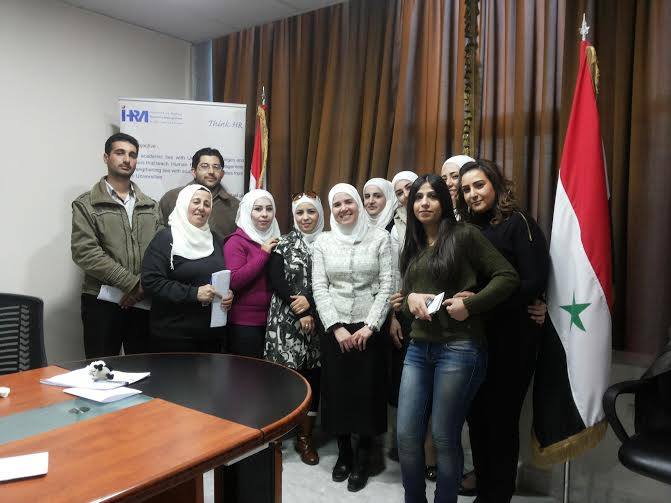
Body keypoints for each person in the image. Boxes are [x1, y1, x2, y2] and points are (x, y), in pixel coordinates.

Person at [394, 174, 519, 503]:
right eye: (418, 197)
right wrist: (409, 300)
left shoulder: (464, 235)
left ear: (444, 201)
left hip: (460, 348)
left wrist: (471, 304)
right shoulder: (413, 243)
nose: (423, 203)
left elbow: (507, 276)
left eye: (432, 196)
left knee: (444, 437)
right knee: (406, 436)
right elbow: (407, 297)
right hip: (418, 348)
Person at [457, 160, 550, 503]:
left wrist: (480, 302)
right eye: (466, 189)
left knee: (500, 420)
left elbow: (534, 281)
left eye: (479, 185)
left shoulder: (518, 223)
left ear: (495, 184)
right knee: (476, 417)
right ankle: (484, 488)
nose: (473, 194)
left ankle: (498, 496)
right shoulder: (466, 228)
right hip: (474, 338)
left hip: (513, 339)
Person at [312, 183, 393, 492]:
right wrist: (336, 327)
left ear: (358, 204)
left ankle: (363, 457)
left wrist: (370, 326)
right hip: (335, 329)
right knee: (338, 393)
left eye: (349, 202)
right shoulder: (323, 241)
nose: (343, 208)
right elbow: (319, 287)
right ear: (331, 210)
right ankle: (344, 453)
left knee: (367, 393)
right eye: (337, 204)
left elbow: (388, 284)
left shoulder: (380, 238)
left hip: (369, 328)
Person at [71, 132, 162, 358]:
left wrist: (142, 287)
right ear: (106, 157)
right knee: (101, 369)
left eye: (132, 154)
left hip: (143, 301)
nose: (127, 159)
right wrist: (131, 284)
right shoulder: (86, 204)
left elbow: (161, 252)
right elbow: (85, 252)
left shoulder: (151, 205)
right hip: (102, 300)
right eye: (120, 153)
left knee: (143, 369)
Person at [264, 191, 325, 465]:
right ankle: (276, 438)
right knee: (282, 378)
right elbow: (276, 279)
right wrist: (299, 309)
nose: (305, 217)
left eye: (311, 211)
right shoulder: (283, 243)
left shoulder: (329, 242)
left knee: (313, 379)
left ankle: (305, 438)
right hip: (284, 321)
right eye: (300, 212)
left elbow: (331, 281)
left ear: (319, 214)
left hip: (318, 321)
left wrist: (309, 304)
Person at [141, 185, 233, 352]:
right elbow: (150, 281)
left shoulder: (216, 239)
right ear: (184, 204)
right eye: (196, 202)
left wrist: (226, 294)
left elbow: (220, 275)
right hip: (172, 335)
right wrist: (194, 293)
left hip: (211, 335)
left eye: (207, 204)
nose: (201, 208)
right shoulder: (166, 238)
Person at [223, 189, 280, 358]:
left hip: (274, 320)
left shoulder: (278, 239)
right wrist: (263, 254)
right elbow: (234, 280)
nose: (264, 214)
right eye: (258, 209)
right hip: (245, 323)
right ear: (248, 212)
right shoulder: (236, 241)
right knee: (248, 373)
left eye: (269, 209)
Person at [159, 147, 239, 243]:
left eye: (216, 167)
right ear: (194, 172)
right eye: (204, 166)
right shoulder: (172, 198)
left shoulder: (234, 206)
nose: (211, 171)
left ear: (222, 174)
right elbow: (160, 235)